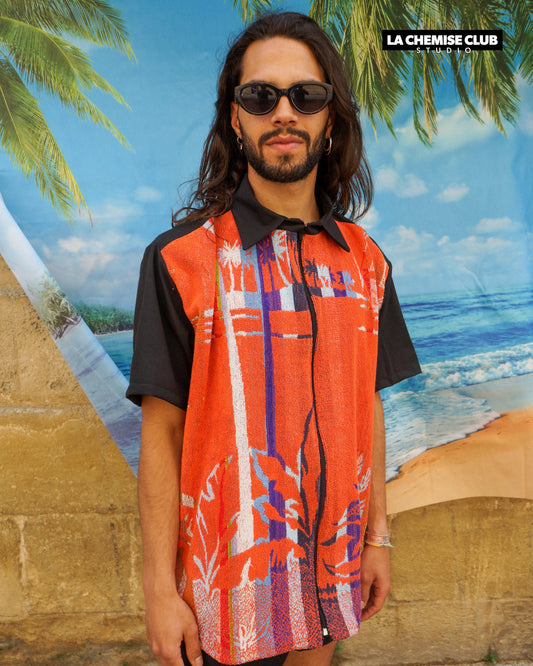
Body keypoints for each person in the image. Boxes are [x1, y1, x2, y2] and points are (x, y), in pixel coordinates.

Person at [127, 11, 420, 666]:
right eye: (260, 96)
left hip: (333, 570)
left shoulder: (367, 263)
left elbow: (367, 407)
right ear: (235, 119)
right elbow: (161, 432)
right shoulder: (181, 260)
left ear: (330, 117)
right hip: (225, 594)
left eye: (305, 96)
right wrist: (157, 590)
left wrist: (377, 537)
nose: (283, 112)